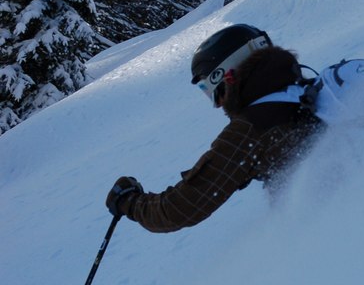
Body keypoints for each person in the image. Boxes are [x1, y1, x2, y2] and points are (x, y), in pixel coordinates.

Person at [106, 24, 321, 232]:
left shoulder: (251, 128)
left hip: (319, 229)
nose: (218, 104)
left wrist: (129, 202)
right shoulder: (304, 90)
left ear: (228, 74)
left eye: (210, 89)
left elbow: (180, 209)